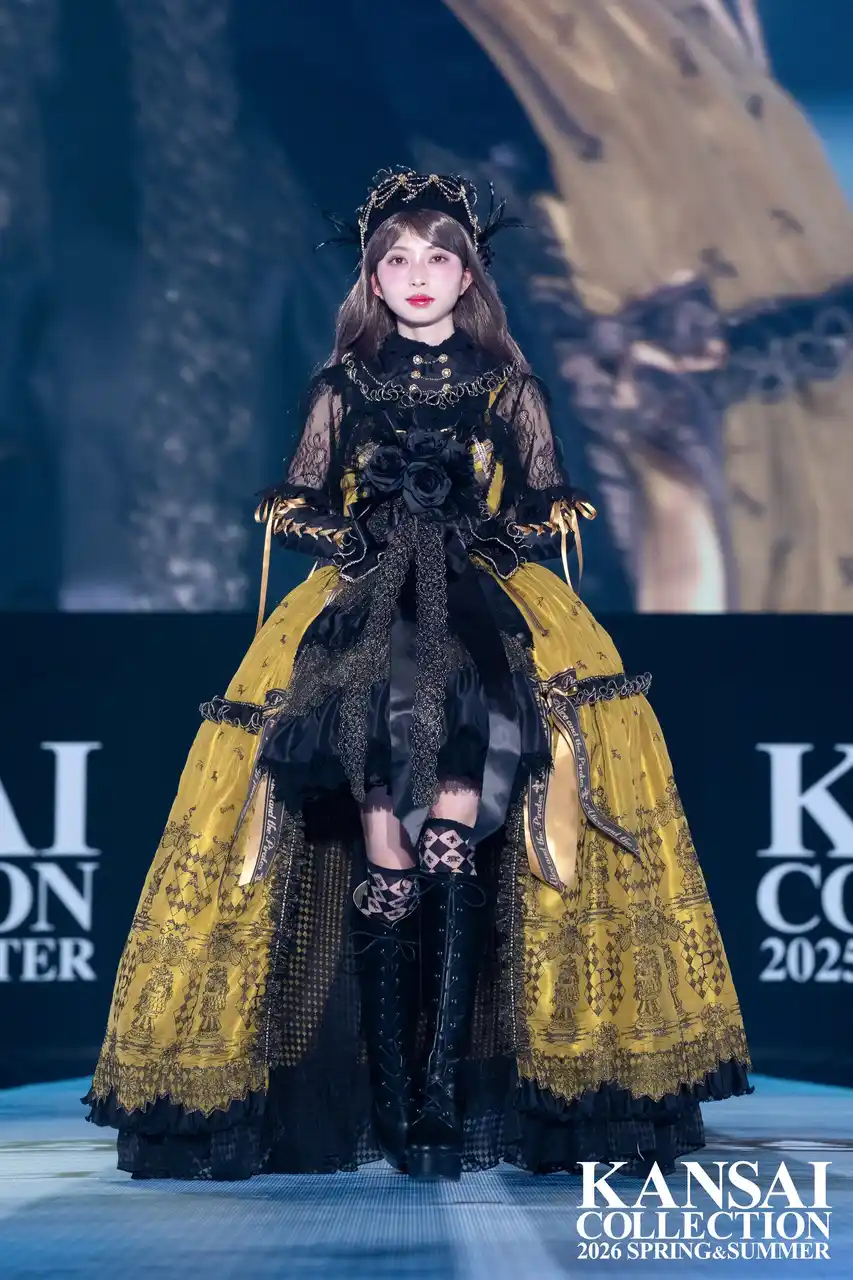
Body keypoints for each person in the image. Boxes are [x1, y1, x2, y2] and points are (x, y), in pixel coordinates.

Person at [81, 167, 752, 1182]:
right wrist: (349, 532)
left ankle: (442, 1085)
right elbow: (297, 499)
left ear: (468, 274)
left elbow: (543, 497)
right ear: (373, 277)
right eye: (397, 259)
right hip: (362, 620)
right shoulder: (342, 387)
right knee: (381, 843)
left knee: (457, 836)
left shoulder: (507, 386)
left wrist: (509, 526)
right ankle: (393, 1091)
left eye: (438, 257)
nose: (418, 274)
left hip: (485, 617)